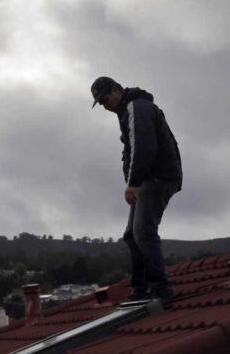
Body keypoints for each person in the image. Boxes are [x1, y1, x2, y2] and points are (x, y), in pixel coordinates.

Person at [91, 76, 182, 301]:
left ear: (117, 89)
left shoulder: (136, 108)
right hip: (147, 178)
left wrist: (133, 183)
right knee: (132, 235)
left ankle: (160, 289)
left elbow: (144, 147)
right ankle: (140, 289)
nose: (105, 106)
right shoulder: (127, 111)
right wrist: (131, 179)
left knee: (143, 231)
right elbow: (129, 150)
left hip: (157, 177)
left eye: (105, 99)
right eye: (100, 103)